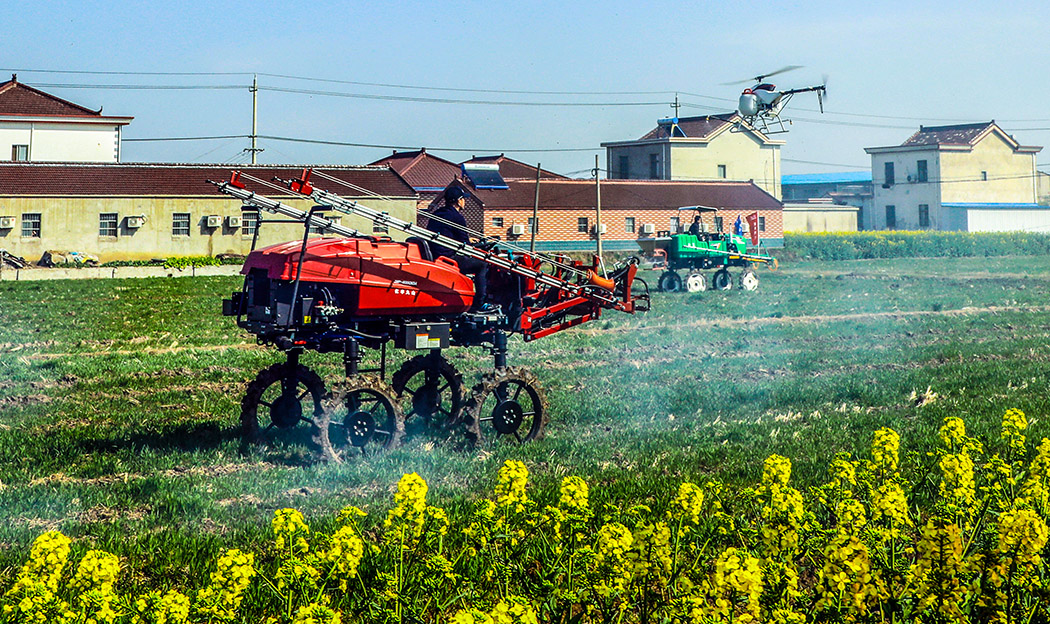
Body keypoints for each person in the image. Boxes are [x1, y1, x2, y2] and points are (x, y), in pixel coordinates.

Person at [426, 186, 491, 310]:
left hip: (436, 254)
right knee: (482, 264)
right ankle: (480, 303)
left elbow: (447, 234)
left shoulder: (438, 213)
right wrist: (477, 245)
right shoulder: (457, 217)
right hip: (448, 258)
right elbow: (466, 245)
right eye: (463, 199)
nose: (464, 202)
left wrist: (469, 240)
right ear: (458, 201)